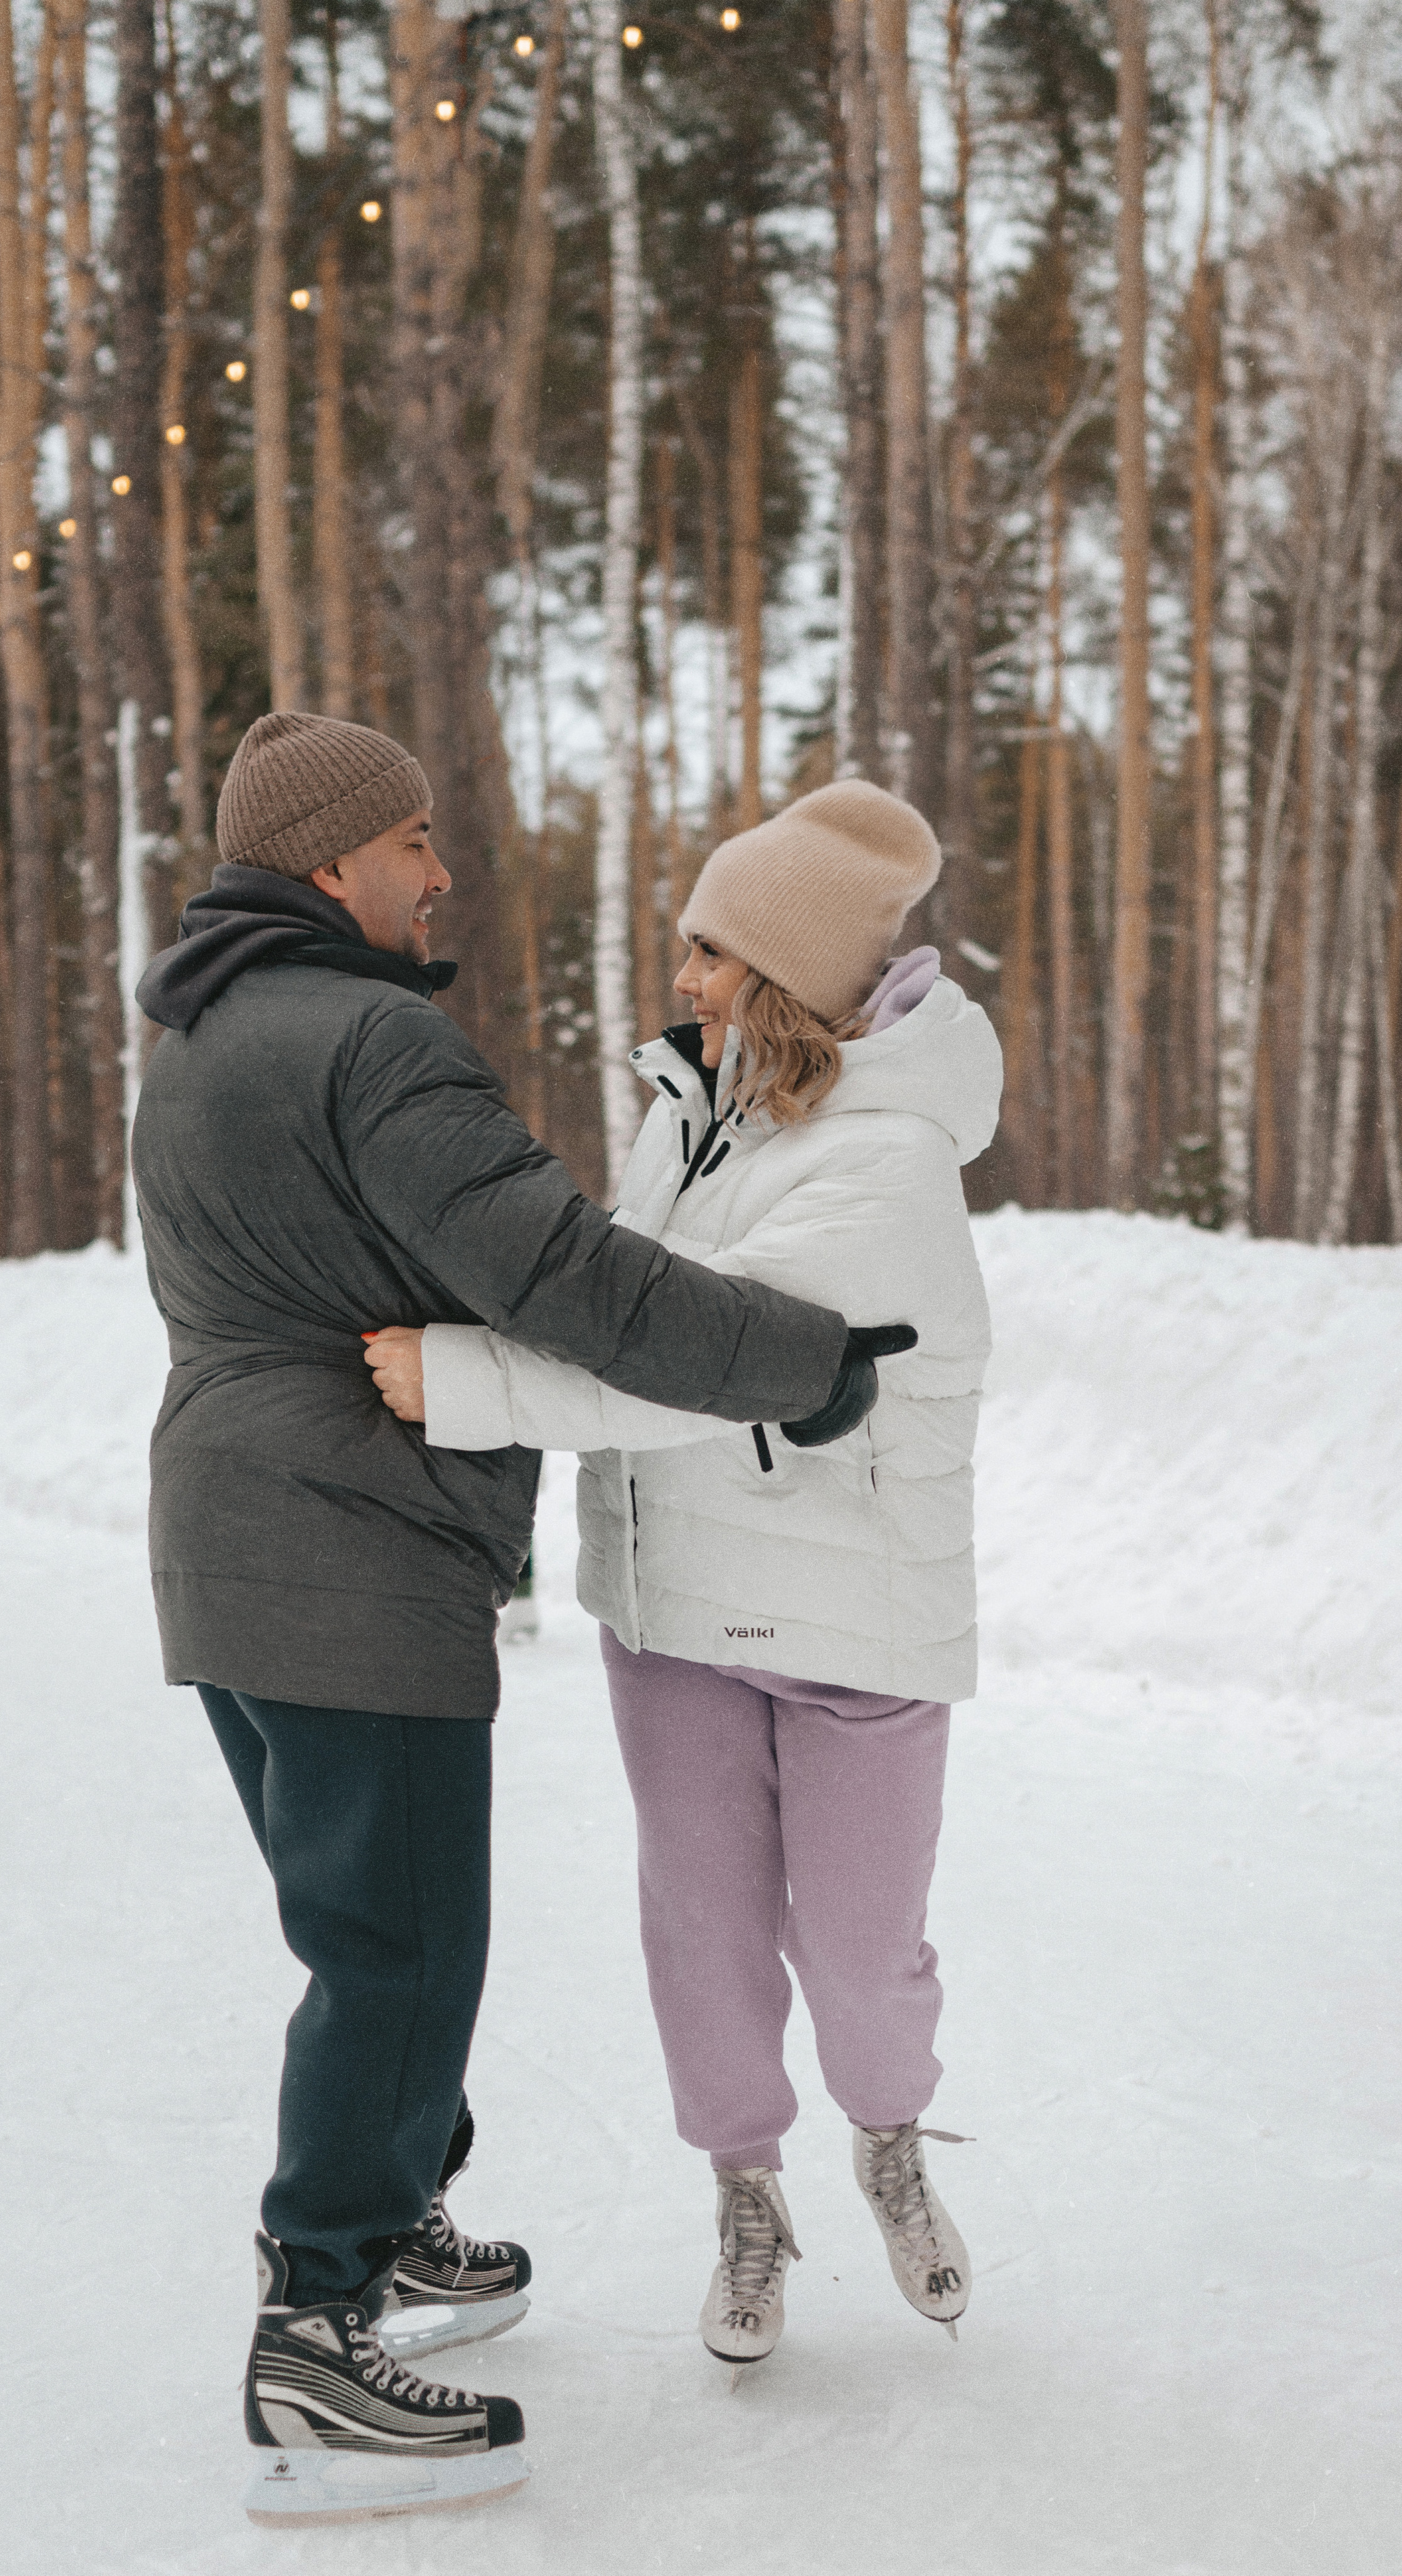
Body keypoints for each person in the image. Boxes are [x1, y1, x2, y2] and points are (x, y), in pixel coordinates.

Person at [130, 711, 866, 2523]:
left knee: (361, 1919)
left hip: (228, 1546)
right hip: (348, 1550)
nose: (439, 869)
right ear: (328, 863)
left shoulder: (202, 1039)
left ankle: (393, 2221)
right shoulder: (377, 1037)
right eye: (413, 842)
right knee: (396, 1945)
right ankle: (316, 2327)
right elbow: (561, 1274)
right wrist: (800, 1362)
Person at [366, 779, 1002, 2379]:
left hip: (856, 1615)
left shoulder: (887, 1161)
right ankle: (743, 2188)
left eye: (715, 953)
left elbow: (681, 1363)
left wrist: (463, 1379)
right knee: (701, 1936)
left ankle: (888, 2137)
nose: (689, 981)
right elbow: (610, 1295)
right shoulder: (686, 1112)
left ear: (786, 976)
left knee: (860, 1957)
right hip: (673, 1610)